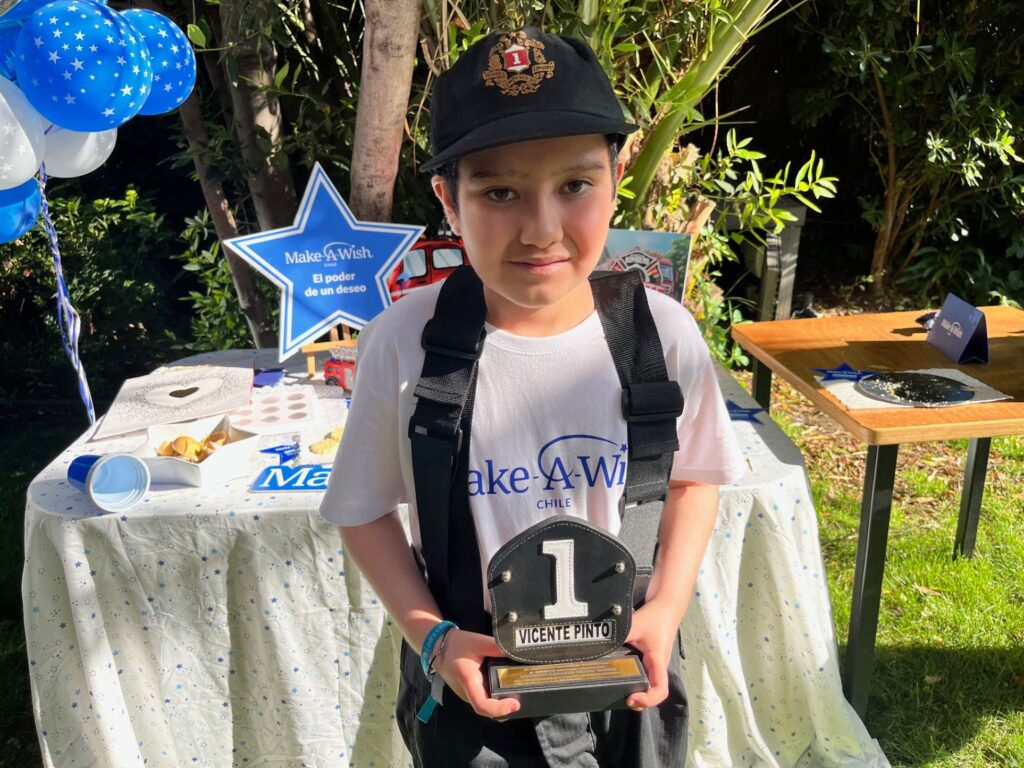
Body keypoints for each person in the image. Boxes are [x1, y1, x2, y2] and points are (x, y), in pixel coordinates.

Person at [320, 26, 744, 767]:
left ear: (617, 181)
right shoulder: (404, 343)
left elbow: (694, 475)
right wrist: (434, 636)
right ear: (448, 201)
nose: (541, 229)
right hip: (473, 684)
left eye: (574, 186)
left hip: (627, 678)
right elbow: (362, 510)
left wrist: (668, 607)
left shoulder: (660, 337)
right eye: (499, 191)